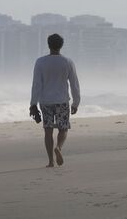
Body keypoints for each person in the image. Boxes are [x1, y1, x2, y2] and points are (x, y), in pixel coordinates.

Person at [30, 34, 81, 167]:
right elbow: (74, 83)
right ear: (61, 45)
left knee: (48, 130)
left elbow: (36, 84)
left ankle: (50, 161)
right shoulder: (67, 62)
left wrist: (33, 103)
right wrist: (76, 102)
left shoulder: (40, 62)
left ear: (48, 44)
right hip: (62, 100)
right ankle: (58, 147)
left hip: (45, 101)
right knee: (63, 129)